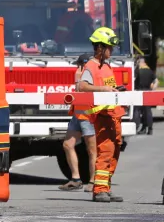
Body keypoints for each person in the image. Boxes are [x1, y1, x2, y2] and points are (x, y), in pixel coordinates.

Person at [78, 27, 124, 203]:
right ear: (99, 47)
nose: (111, 51)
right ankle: (99, 190)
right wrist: (103, 89)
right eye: (109, 47)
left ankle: (106, 186)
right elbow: (82, 86)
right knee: (105, 151)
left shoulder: (106, 65)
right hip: (103, 116)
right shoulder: (91, 66)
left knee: (114, 152)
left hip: (113, 115)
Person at [59, 53, 96, 191]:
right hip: (78, 114)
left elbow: (82, 90)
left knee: (92, 150)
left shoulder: (89, 75)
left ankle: (93, 181)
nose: (77, 68)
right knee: (68, 144)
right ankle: (75, 179)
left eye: (79, 65)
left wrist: (77, 80)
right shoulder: (82, 76)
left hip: (88, 115)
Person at [134, 55, 157, 135]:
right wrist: (153, 89)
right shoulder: (149, 71)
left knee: (137, 110)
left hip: (139, 92)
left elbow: (133, 79)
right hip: (148, 92)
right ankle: (149, 129)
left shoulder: (137, 70)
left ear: (139, 62)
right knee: (148, 111)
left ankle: (135, 127)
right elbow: (156, 81)